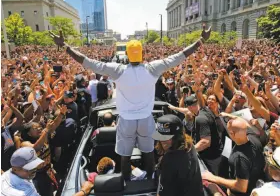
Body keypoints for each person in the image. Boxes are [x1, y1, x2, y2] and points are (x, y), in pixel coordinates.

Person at [49, 26, 211, 181]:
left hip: (126, 120)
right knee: (148, 153)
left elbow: (88, 62)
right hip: (146, 120)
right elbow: (178, 56)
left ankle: (126, 180)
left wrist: (65, 46)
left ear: (126, 54)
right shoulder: (153, 68)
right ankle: (150, 178)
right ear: (142, 54)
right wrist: (200, 41)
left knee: (125, 156)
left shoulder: (118, 70)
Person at [202, 117, 265, 196]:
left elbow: (241, 187)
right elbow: (242, 123)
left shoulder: (239, 158)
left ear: (232, 133)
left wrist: (213, 178)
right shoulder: (254, 138)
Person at [152, 114, 204, 196]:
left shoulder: (170, 160)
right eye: (160, 136)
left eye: (166, 137)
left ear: (177, 137)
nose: (162, 140)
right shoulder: (189, 144)